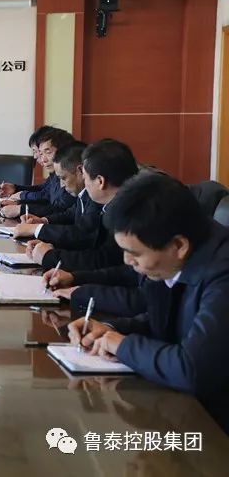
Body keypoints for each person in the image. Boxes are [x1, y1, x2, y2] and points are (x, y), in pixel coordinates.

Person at [67, 173, 229, 433]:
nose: (127, 261)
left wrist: (122, 345)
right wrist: (109, 330)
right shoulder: (174, 257)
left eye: (134, 253)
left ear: (178, 245)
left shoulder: (222, 274)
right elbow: (164, 321)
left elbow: (193, 370)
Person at [26, 138, 138, 271]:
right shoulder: (110, 204)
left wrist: (51, 256)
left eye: (85, 177)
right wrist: (54, 247)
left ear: (100, 181)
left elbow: (104, 260)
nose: (84, 183)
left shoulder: (129, 213)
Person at [13, 142, 102, 249]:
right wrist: (43, 221)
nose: (62, 185)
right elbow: (70, 214)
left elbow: (82, 234)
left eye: (63, 178)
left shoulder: (97, 197)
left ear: (80, 171)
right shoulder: (83, 193)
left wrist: (36, 229)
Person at [0, 127, 76, 218]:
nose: (39, 158)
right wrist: (18, 198)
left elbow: (59, 208)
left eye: (47, 152)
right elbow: (46, 196)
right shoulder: (55, 174)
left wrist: (21, 206)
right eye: (40, 153)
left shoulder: (71, 177)